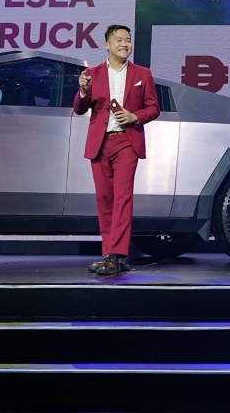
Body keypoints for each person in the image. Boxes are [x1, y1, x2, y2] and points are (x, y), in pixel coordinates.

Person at [74, 24, 160, 275]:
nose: (125, 44)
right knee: (104, 200)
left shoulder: (143, 73)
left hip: (126, 142)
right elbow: (79, 108)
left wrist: (135, 116)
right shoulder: (92, 73)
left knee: (122, 197)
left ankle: (114, 254)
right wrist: (82, 91)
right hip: (100, 143)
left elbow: (153, 108)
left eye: (128, 40)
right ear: (107, 45)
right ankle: (111, 255)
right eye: (119, 40)